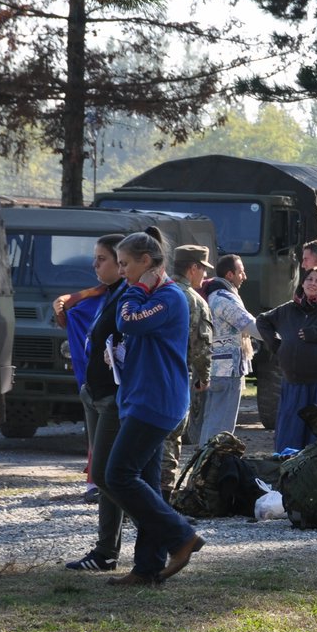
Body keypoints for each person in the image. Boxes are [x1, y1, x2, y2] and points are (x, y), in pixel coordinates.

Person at [104, 230, 204, 587]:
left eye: (126, 264)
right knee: (146, 484)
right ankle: (147, 568)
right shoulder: (150, 293)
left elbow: (128, 320)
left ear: (146, 262)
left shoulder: (169, 296)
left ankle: (182, 535)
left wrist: (139, 288)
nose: (121, 271)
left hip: (157, 402)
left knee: (117, 476)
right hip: (139, 399)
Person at [64, 233, 129, 572]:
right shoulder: (105, 295)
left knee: (108, 475)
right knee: (103, 476)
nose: (95, 265)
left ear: (121, 264)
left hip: (114, 399)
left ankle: (165, 530)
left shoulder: (127, 298)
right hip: (96, 393)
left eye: (101, 259)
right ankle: (106, 550)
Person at [257, 266, 317, 452]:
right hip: (293, 386)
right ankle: (289, 474)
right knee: (290, 437)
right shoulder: (288, 309)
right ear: (302, 283)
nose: (313, 283)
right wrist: (276, 345)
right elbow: (262, 320)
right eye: (309, 279)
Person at [162, 245, 214, 500]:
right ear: (193, 268)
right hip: (175, 378)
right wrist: (203, 378)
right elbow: (201, 346)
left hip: (147, 377)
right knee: (172, 436)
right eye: (203, 268)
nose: (204, 275)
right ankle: (163, 496)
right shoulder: (194, 300)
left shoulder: (157, 293)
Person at [195, 254, 258, 443]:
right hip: (227, 371)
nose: (244, 276)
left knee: (211, 421)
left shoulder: (212, 295)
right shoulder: (224, 298)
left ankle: (204, 464)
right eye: (241, 272)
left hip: (213, 369)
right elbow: (248, 325)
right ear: (230, 275)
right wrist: (279, 334)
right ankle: (214, 466)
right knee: (221, 427)